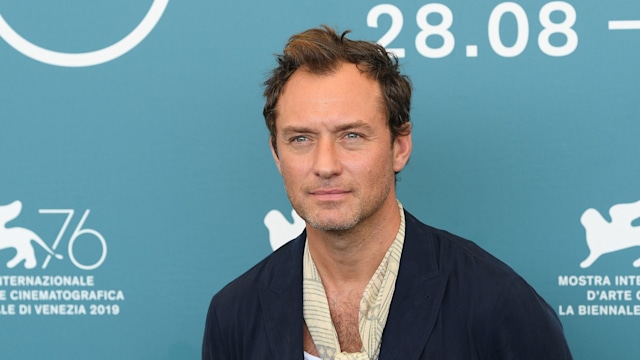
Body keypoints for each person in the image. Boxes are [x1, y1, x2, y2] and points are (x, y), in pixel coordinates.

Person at [202, 26, 573, 359]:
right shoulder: (234, 313)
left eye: (352, 136)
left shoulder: (496, 302)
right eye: (301, 139)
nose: (326, 165)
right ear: (277, 153)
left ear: (399, 147)